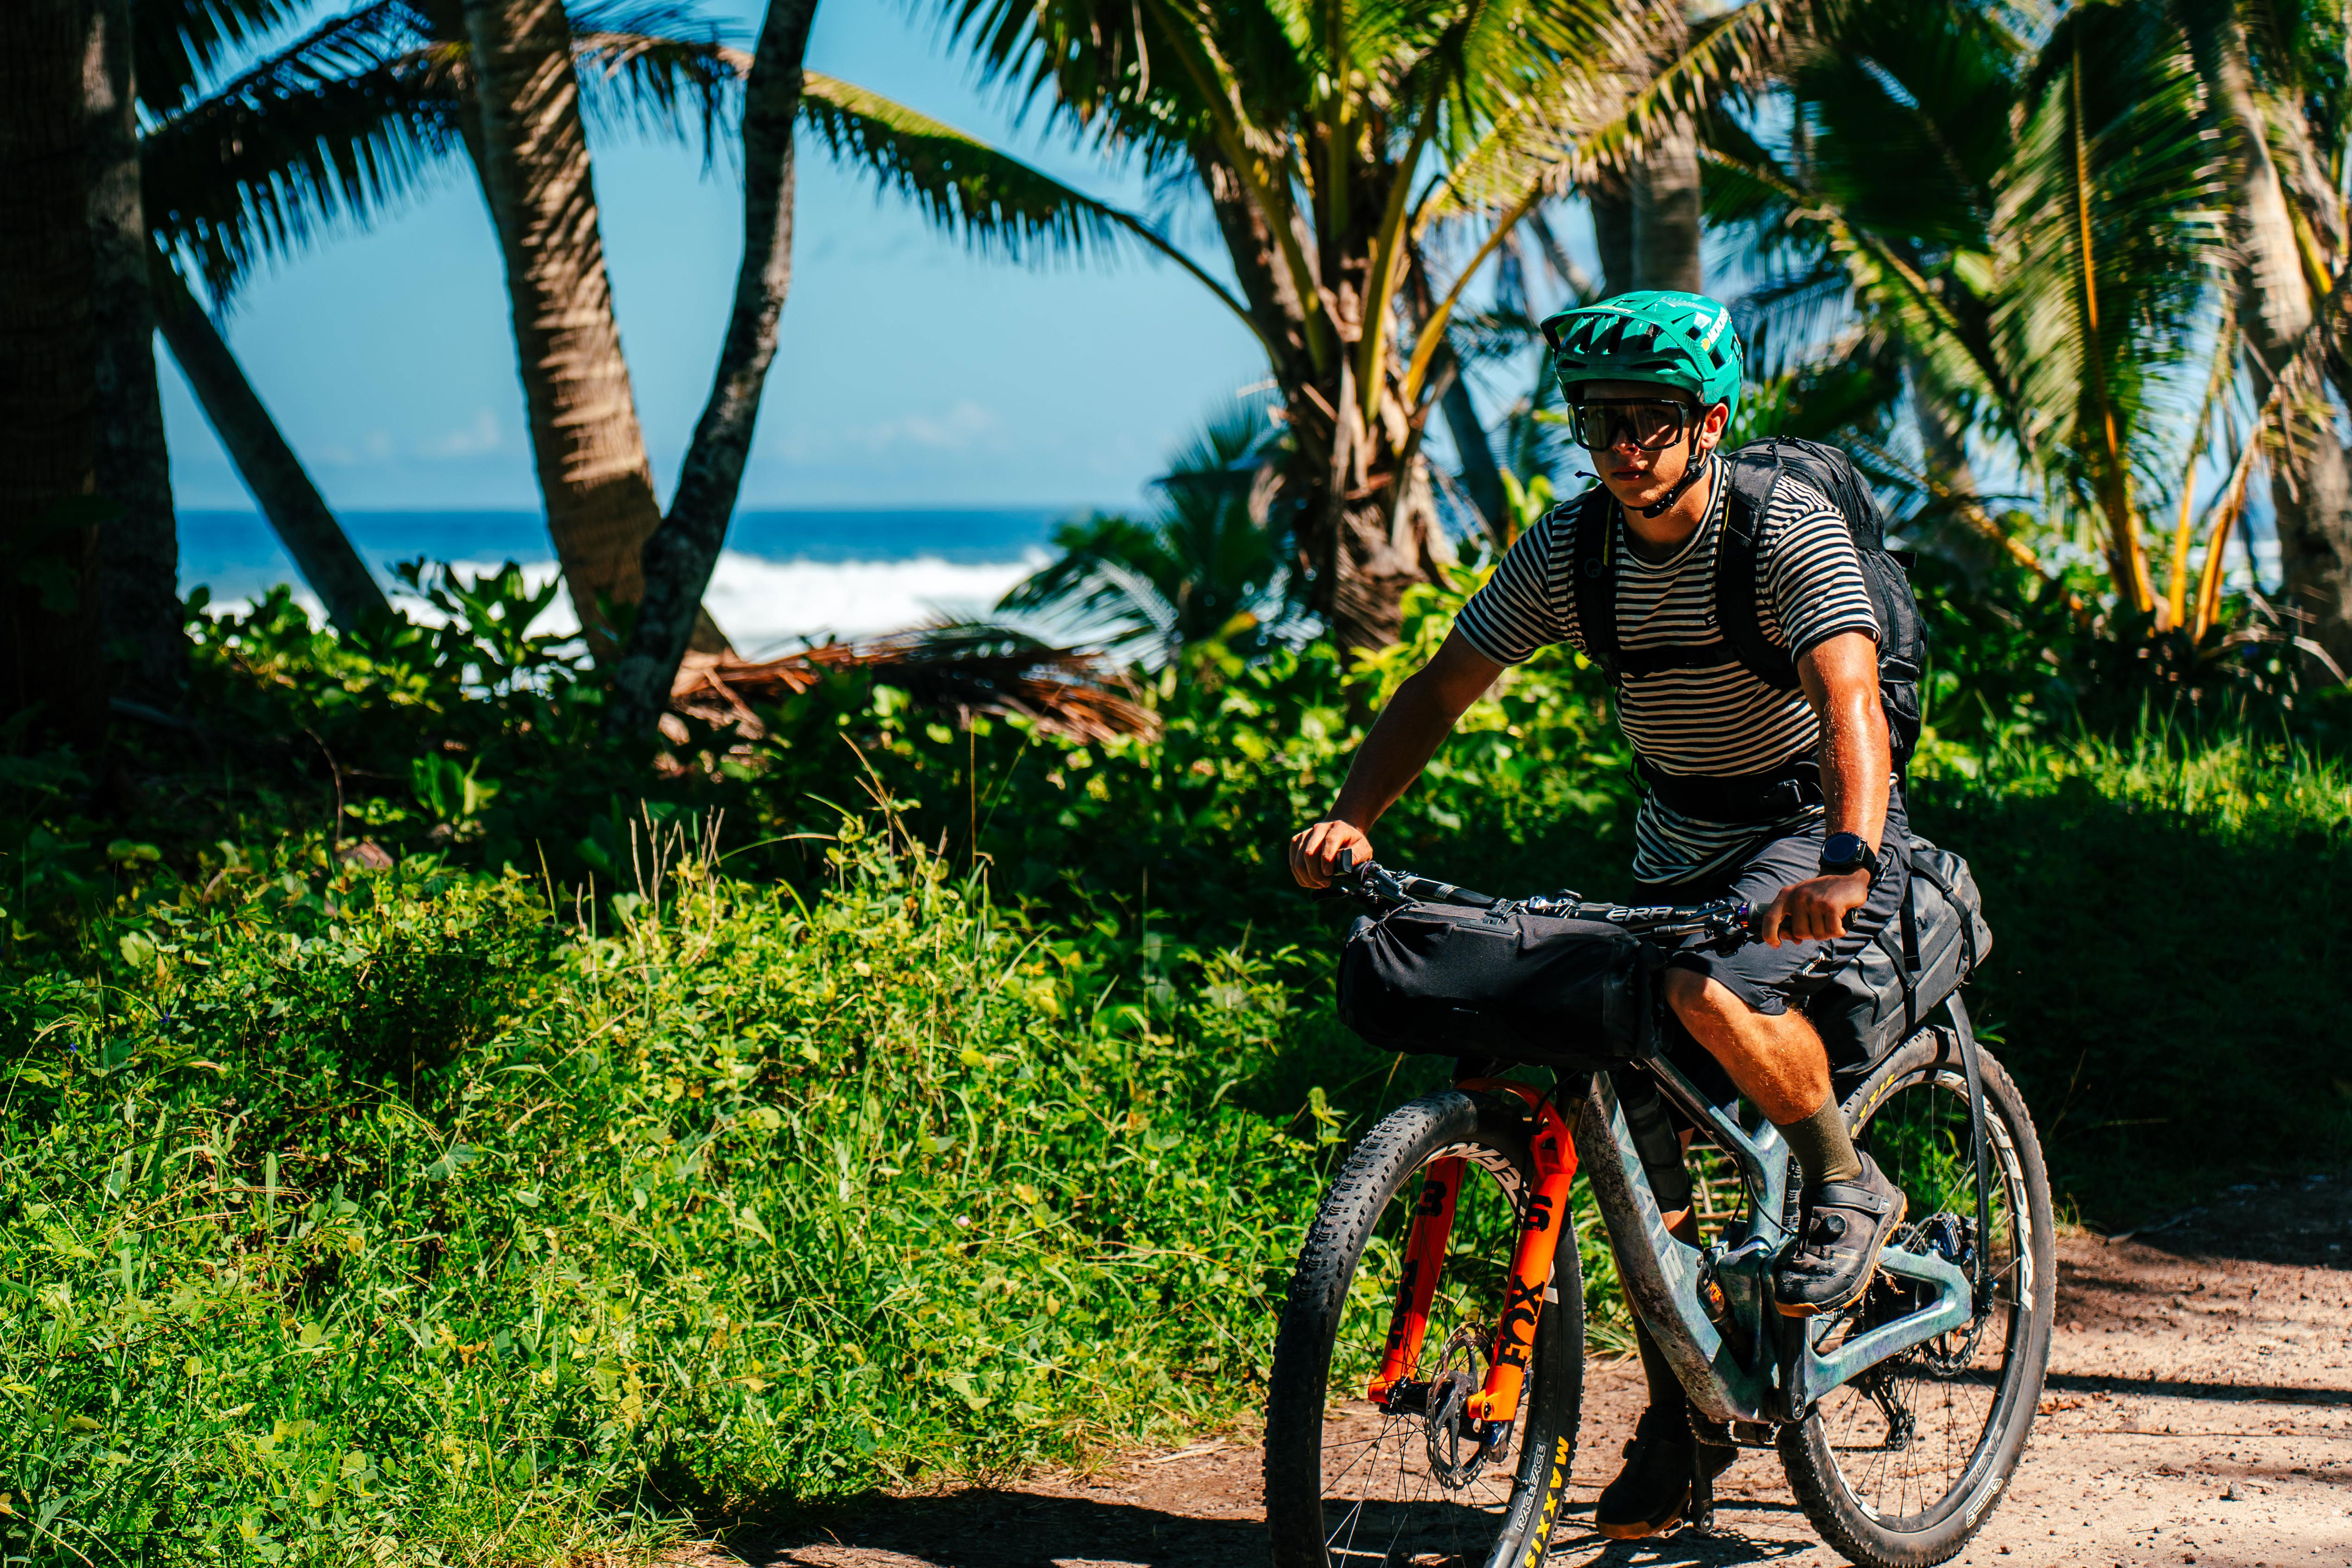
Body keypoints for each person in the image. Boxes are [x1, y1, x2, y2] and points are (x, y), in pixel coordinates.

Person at [1287, 290, 1910, 1542]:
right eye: (1598, 419)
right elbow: (1444, 684)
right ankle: (1691, 1415)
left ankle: (1850, 1185)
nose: (1621, 443)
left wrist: (1844, 859)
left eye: (1648, 418)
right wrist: (1353, 812)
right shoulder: (1573, 550)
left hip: (1807, 822)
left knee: (1700, 992)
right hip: (1677, 840)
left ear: (1709, 421)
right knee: (1626, 1110)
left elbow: (1852, 702)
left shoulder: (1781, 532)